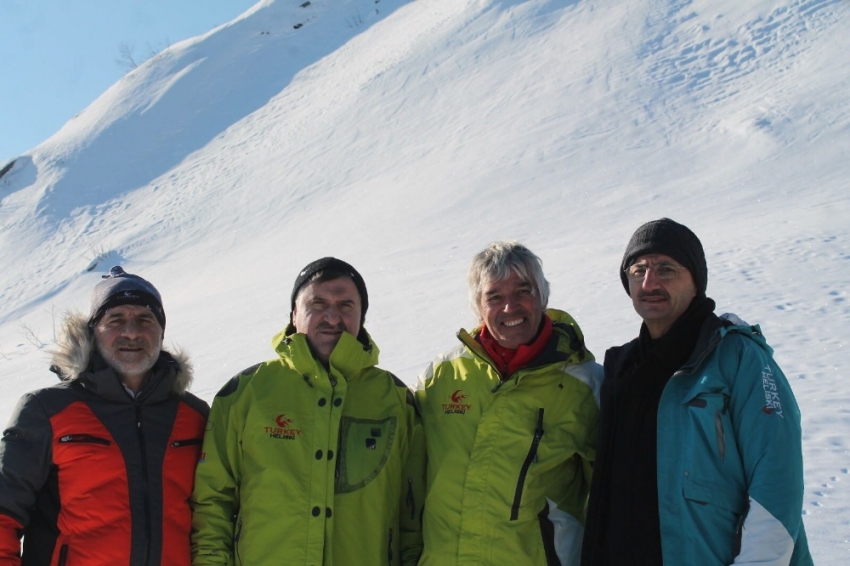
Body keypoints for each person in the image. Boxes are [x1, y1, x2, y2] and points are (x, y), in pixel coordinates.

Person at [581, 218, 813, 565]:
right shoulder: (620, 370)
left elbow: (777, 480)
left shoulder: (737, 356)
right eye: (638, 269)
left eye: (666, 269)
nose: (649, 282)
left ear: (695, 281)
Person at [191, 257, 424, 566]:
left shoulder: (394, 399)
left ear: (361, 317)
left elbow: (414, 514)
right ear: (294, 315)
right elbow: (213, 502)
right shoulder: (246, 393)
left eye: (346, 305)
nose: (332, 316)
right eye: (317, 303)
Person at [0, 266, 209, 565]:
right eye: (116, 319)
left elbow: (215, 512)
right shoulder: (47, 410)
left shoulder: (194, 415)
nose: (132, 332)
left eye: (145, 319)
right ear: (93, 332)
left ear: (161, 332)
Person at [415, 241, 602, 565]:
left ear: (543, 296)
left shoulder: (584, 385)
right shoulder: (444, 376)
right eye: (495, 296)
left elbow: (612, 495)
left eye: (523, 291)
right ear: (478, 306)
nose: (509, 307)